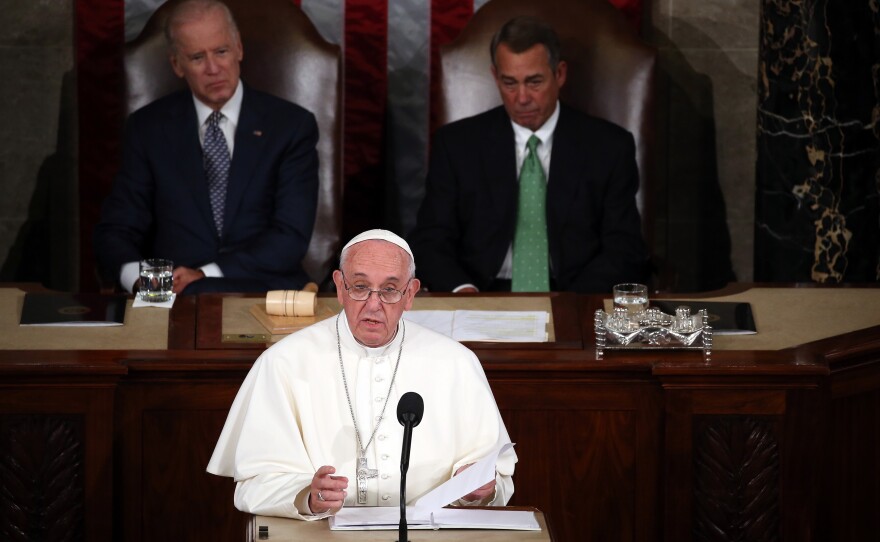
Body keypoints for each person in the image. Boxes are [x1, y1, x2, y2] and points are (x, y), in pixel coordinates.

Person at [207, 229, 516, 519]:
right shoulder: (284, 362)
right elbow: (252, 485)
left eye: (390, 290)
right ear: (340, 287)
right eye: (360, 287)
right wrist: (305, 495)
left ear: (410, 294)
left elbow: (499, 480)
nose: (373, 304)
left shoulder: (456, 363)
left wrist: (477, 490)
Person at [408, 16, 649, 294]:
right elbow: (430, 240)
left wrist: (571, 303)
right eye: (510, 83)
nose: (521, 98)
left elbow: (624, 247)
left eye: (534, 82)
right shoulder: (457, 145)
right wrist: (463, 291)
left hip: (574, 294)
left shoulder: (608, 147)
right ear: (495, 77)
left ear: (559, 74)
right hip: (481, 294)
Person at [94, 0, 319, 295]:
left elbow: (290, 238)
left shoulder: (291, 126)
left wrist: (205, 274)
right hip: (172, 294)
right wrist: (148, 283)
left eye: (221, 52)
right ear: (176, 64)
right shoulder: (148, 128)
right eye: (198, 57)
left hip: (263, 290)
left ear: (238, 48)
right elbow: (117, 230)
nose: (213, 68)